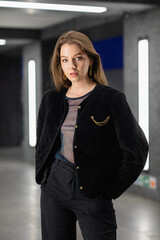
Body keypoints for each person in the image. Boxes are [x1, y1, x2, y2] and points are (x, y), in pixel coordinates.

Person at [35, 30, 149, 240]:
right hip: (54, 187)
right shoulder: (51, 99)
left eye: (78, 58)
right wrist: (44, 176)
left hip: (93, 190)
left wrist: (111, 189)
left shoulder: (111, 98)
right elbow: (43, 141)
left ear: (91, 59)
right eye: (65, 60)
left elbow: (137, 150)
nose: (72, 66)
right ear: (59, 63)